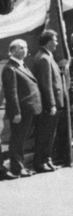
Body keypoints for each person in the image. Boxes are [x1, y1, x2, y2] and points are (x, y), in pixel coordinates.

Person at [2, 40, 40, 178]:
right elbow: (11, 93)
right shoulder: (10, 68)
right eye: (21, 48)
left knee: (21, 140)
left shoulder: (22, 65)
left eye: (25, 47)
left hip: (29, 109)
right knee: (17, 140)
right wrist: (16, 112)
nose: (25, 50)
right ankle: (17, 168)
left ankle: (20, 166)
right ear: (12, 51)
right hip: (21, 111)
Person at [31, 30, 65, 172]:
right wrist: (52, 104)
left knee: (49, 134)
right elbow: (46, 84)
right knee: (44, 134)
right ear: (48, 42)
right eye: (55, 40)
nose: (57, 43)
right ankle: (40, 163)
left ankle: (46, 159)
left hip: (52, 104)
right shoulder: (44, 58)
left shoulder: (48, 56)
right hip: (48, 105)